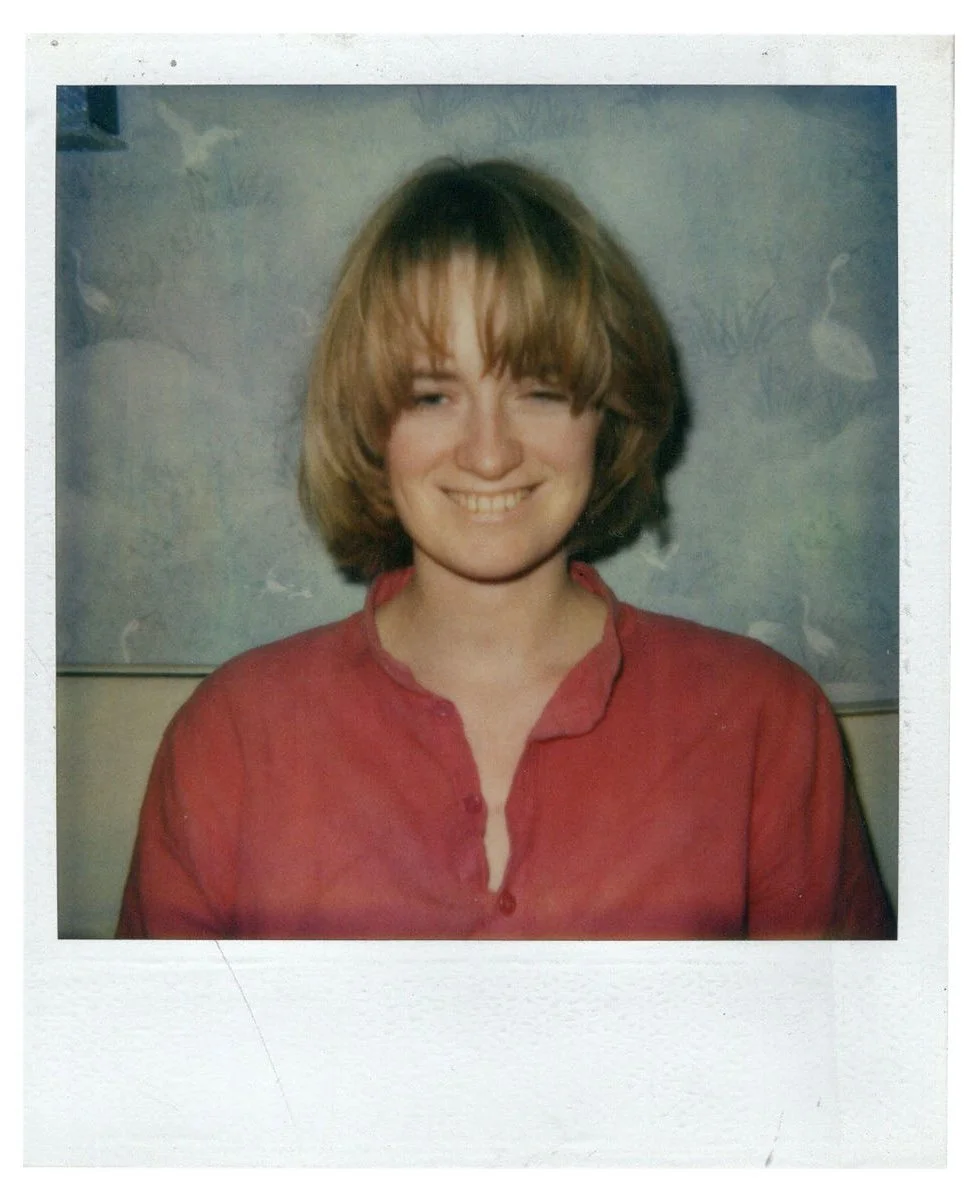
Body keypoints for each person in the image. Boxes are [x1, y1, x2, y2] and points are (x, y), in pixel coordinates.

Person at [116, 158, 894, 939]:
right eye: (432, 395)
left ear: (608, 410)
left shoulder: (767, 723)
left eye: (540, 390)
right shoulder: (230, 740)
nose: (489, 454)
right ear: (368, 422)